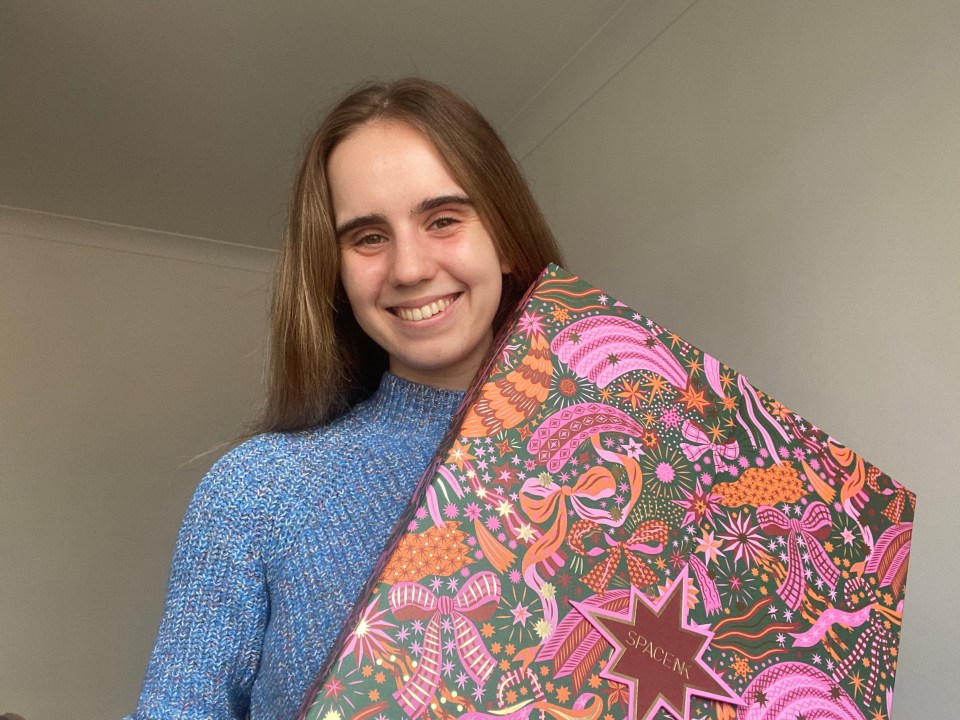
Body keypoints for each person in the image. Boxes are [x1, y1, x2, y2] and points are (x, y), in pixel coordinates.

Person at [127, 78, 563, 720]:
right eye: (367, 237)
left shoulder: (616, 468)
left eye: (443, 219)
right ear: (332, 269)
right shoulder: (260, 492)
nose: (410, 268)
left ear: (506, 238)